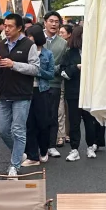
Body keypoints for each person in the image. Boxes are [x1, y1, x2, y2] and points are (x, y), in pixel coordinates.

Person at [0, 12, 39, 178]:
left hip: (22, 94)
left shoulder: (29, 45)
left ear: (19, 28)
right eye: (5, 26)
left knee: (18, 130)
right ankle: (19, 154)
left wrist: (14, 64)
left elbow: (35, 69)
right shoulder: (1, 45)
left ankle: (14, 165)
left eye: (10, 26)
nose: (6, 29)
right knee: (2, 129)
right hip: (4, 92)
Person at [59, 23, 97, 159]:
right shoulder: (69, 53)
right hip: (74, 91)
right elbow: (63, 72)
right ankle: (74, 149)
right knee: (74, 121)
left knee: (90, 121)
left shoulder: (93, 53)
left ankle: (91, 146)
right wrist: (76, 67)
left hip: (89, 92)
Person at [23, 23, 56, 164]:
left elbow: (51, 74)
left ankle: (43, 150)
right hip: (26, 90)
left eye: (30, 36)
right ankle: (32, 155)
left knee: (43, 123)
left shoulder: (47, 54)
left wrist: (37, 71)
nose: (28, 38)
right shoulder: (24, 52)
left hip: (42, 91)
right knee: (29, 123)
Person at [43, 11, 70, 155]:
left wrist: (52, 69)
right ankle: (40, 145)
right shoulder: (37, 39)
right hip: (36, 83)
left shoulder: (63, 43)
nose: (53, 24)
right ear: (45, 22)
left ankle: (51, 145)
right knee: (38, 115)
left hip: (54, 83)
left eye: (56, 22)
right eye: (51, 21)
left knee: (53, 114)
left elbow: (65, 63)